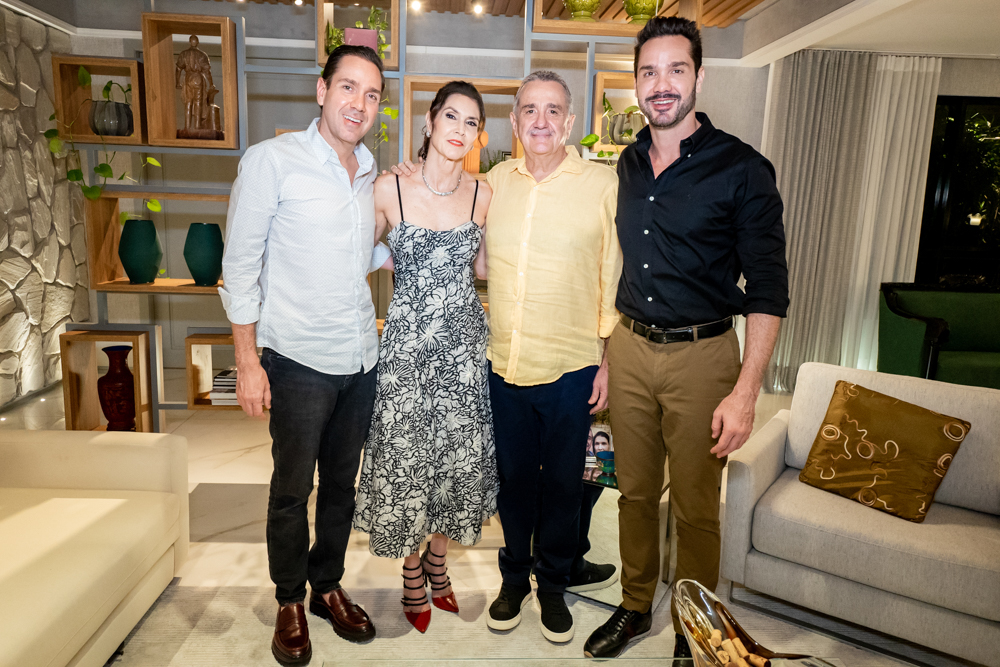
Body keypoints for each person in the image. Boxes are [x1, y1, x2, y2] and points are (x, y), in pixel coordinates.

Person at [583, 17, 788, 660]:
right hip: (630, 349)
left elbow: (769, 289)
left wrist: (746, 392)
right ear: (636, 83)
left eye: (676, 69)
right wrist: (608, 357)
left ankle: (695, 627)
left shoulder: (743, 169)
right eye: (649, 72)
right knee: (635, 494)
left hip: (704, 355)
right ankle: (635, 605)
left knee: (697, 505)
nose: (662, 84)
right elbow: (618, 267)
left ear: (699, 76)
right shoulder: (627, 164)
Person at [220, 45, 392, 665]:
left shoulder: (371, 172)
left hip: (360, 359)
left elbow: (363, 255)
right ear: (322, 91)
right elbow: (240, 266)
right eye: (348, 87)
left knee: (342, 487)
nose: (359, 103)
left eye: (372, 94)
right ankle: (290, 598)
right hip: (295, 360)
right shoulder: (272, 162)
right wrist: (247, 362)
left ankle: (327, 585)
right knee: (292, 489)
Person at [483, 70, 622, 644]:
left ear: (569, 122)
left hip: (572, 366)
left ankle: (554, 586)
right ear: (514, 121)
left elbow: (612, 275)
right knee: (513, 481)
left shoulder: (602, 185)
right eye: (530, 110)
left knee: (565, 485)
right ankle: (514, 578)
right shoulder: (495, 183)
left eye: (553, 110)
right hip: (504, 363)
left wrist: (608, 361)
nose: (540, 121)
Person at [352, 81, 497, 634]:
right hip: (406, 349)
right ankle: (412, 569)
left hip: (463, 352)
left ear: (478, 135)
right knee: (406, 459)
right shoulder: (389, 187)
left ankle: (438, 560)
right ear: (431, 121)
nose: (459, 129)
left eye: (471, 122)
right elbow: (354, 252)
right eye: (451, 116)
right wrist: (386, 256)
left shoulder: (484, 195)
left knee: (455, 462)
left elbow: (486, 269)